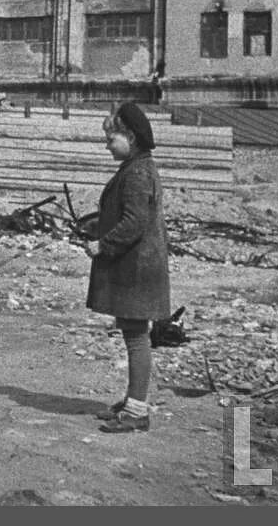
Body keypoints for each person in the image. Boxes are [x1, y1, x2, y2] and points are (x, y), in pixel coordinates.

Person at [82, 101, 172, 433]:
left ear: (130, 137)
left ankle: (136, 411)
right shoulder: (136, 168)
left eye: (111, 139)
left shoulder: (137, 172)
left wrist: (103, 244)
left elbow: (135, 221)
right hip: (137, 266)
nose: (107, 145)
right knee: (134, 334)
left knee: (136, 337)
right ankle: (132, 401)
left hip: (137, 269)